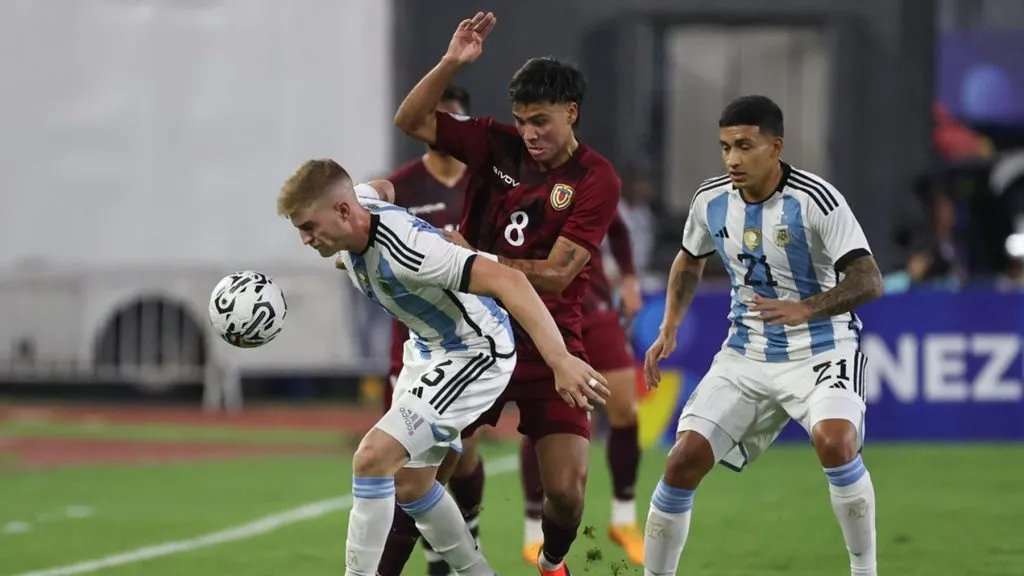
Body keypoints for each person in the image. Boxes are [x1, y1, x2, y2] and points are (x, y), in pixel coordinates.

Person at [276, 158, 609, 576]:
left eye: (309, 227)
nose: (305, 239)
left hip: (476, 352)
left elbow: (510, 281)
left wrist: (559, 359)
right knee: (413, 486)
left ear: (342, 212)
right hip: (429, 348)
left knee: (371, 458)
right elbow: (381, 189)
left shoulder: (412, 251)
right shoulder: (358, 204)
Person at [394, 11, 622, 576]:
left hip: (550, 345)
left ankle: (551, 561)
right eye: (522, 121)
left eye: (541, 121)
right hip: (470, 340)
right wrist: (451, 62)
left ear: (571, 113)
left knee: (566, 495)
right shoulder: (495, 144)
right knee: (419, 479)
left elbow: (557, 273)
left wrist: (475, 259)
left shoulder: (595, 179)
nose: (529, 133)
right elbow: (411, 119)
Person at [642, 95, 884, 576]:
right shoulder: (710, 200)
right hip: (746, 354)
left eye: (745, 146)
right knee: (682, 460)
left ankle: (864, 570)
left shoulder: (816, 200)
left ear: (775, 147)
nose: (732, 158)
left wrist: (806, 307)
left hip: (822, 350)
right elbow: (689, 259)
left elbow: (869, 280)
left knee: (836, 443)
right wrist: (669, 325)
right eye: (725, 146)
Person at [377, 85, 488, 576]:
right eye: (434, 116)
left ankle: (468, 534)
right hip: (413, 345)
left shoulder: (487, 185)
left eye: (452, 118)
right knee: (413, 463)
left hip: (470, 344)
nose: (442, 125)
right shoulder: (403, 186)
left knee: (463, 454)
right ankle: (438, 561)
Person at [519, 211, 646, 566]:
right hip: (544, 316)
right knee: (544, 419)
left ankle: (624, 518)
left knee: (626, 409)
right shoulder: (511, 187)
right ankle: (533, 528)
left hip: (595, 309)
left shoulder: (587, 185)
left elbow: (617, 226)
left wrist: (630, 278)